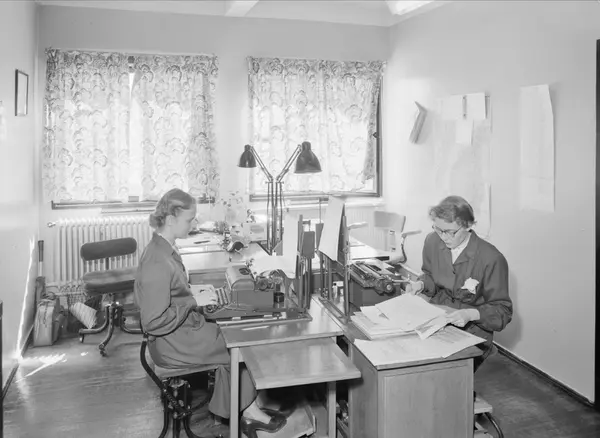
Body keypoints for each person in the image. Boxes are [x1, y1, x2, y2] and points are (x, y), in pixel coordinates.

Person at [134, 188, 285, 434]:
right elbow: (153, 321)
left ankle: (244, 407)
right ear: (170, 219)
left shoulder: (164, 248)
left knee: (234, 331)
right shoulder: (157, 261)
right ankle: (247, 412)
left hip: (180, 332)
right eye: (189, 219)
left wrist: (194, 292)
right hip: (171, 343)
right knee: (240, 346)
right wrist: (193, 300)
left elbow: (171, 293)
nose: (193, 224)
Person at [405, 195, 513, 371]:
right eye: (438, 229)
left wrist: (471, 314)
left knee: (448, 373)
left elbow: (503, 311)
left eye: (450, 232)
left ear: (468, 226)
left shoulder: (491, 258)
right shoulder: (432, 241)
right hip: (437, 318)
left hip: (473, 330)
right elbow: (430, 275)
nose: (443, 237)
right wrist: (421, 285)